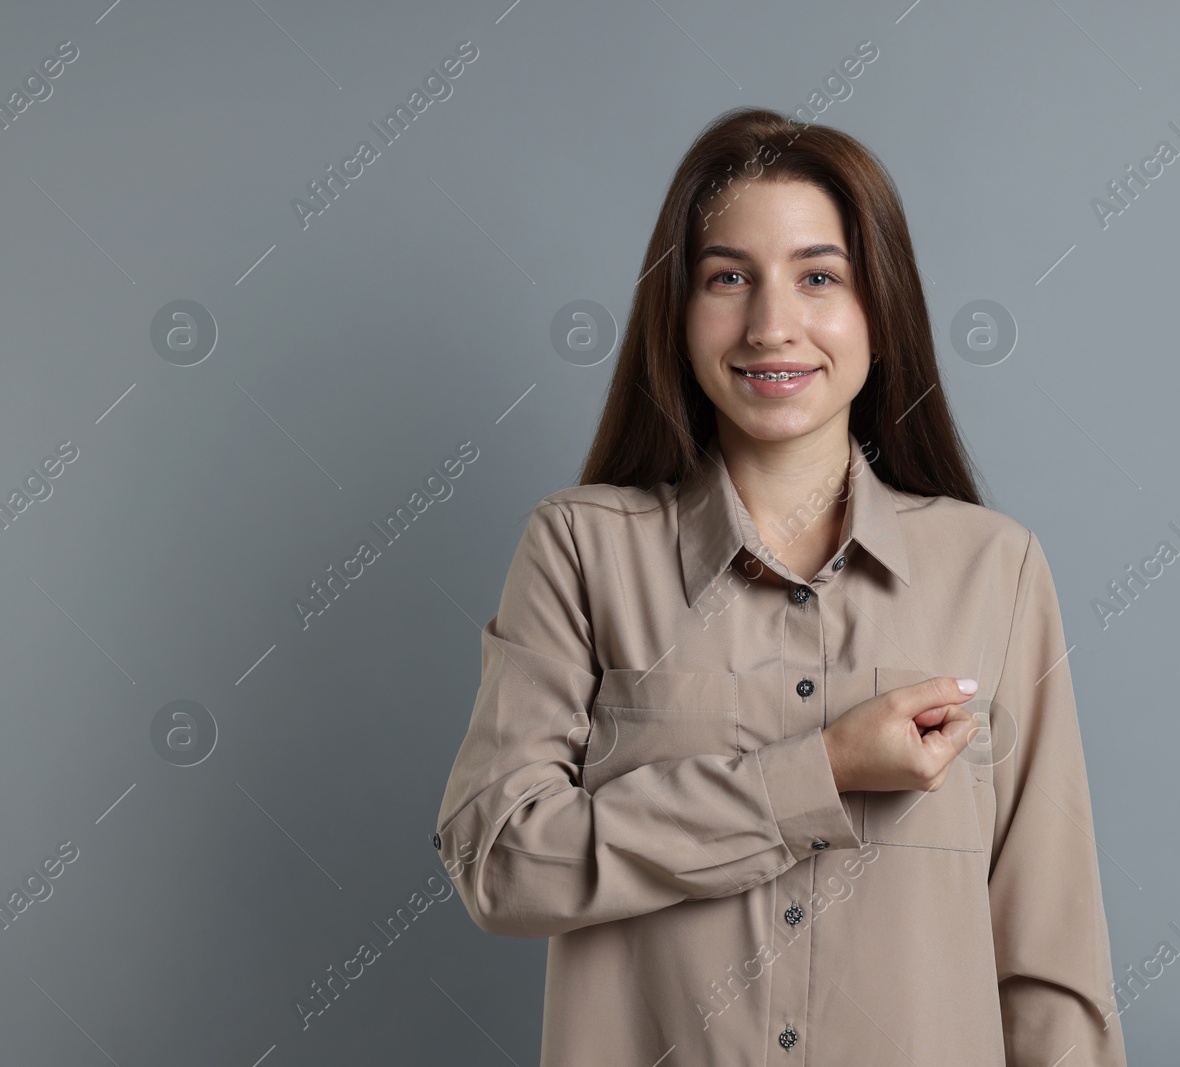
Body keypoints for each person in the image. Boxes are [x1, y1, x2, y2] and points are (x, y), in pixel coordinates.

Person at [435, 106, 1126, 1066]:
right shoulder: (581, 551)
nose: (771, 325)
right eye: (728, 278)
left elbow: (1051, 962)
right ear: (676, 314)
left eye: (818, 277)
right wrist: (818, 773)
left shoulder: (994, 570)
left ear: (879, 313)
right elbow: (498, 861)